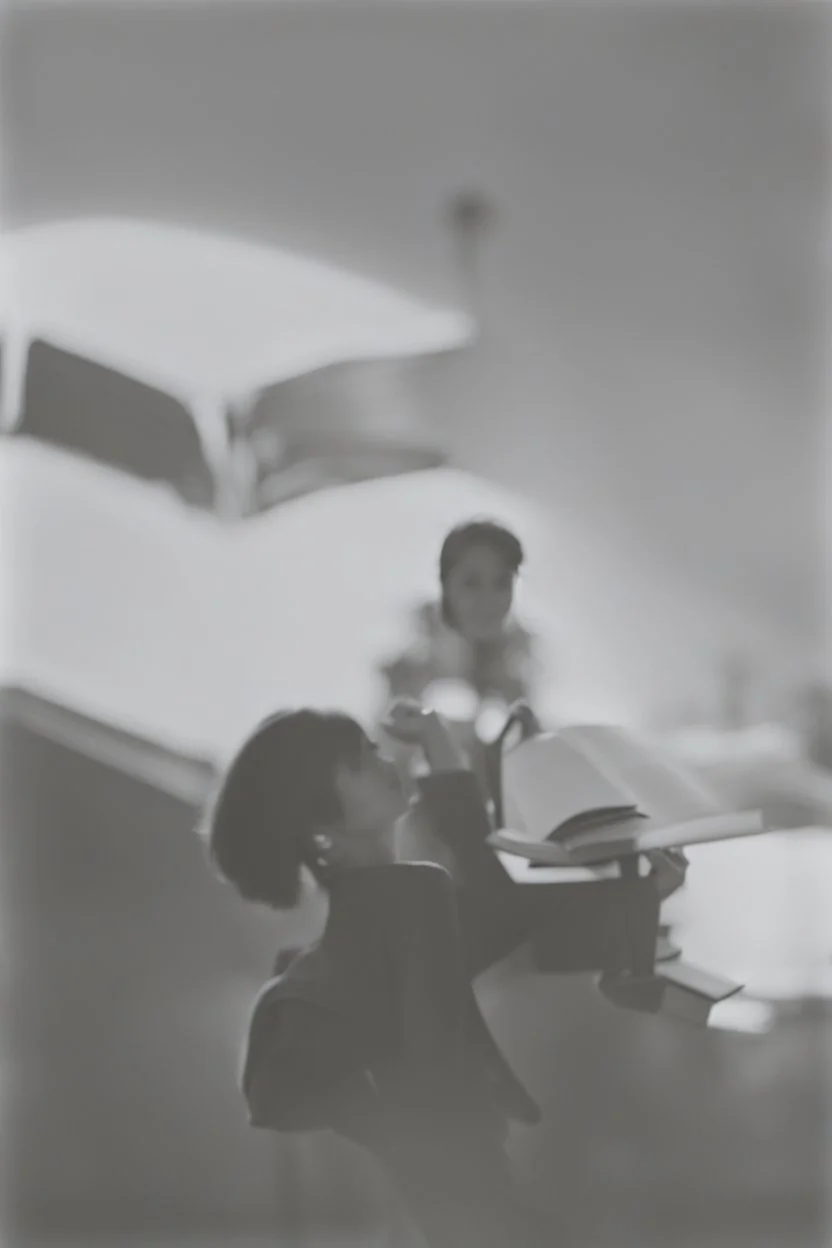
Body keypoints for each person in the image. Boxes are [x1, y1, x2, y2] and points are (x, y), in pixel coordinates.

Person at [204, 698, 681, 1247]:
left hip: (457, 1199)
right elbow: (496, 904)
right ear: (320, 827)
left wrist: (641, 895)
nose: (383, 762)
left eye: (375, 748)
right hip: (462, 1204)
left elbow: (497, 911)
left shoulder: (390, 911)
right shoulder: (396, 911)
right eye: (359, 762)